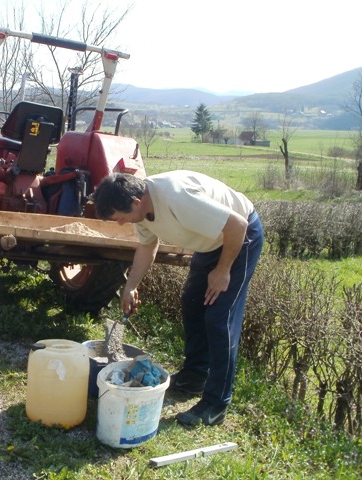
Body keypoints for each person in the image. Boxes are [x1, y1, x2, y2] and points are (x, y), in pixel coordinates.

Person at [92, 171, 264, 426]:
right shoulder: (140, 208)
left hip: (240, 238)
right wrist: (130, 286)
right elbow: (148, 246)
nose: (121, 224)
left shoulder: (177, 197)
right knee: (192, 305)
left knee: (220, 319)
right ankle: (195, 376)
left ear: (136, 203)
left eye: (121, 218)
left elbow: (237, 225)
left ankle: (216, 403)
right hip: (211, 243)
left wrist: (223, 270)